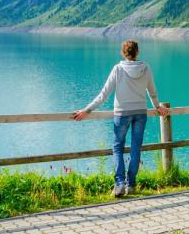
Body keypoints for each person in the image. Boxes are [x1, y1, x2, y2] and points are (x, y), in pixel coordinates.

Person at [72, 40, 169, 197]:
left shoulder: (118, 69)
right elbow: (152, 92)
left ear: (123, 53)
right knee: (136, 147)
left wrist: (87, 110)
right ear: (137, 52)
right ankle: (131, 185)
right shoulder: (146, 68)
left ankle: (119, 184)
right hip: (140, 112)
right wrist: (157, 106)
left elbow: (103, 95)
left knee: (117, 147)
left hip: (122, 113)